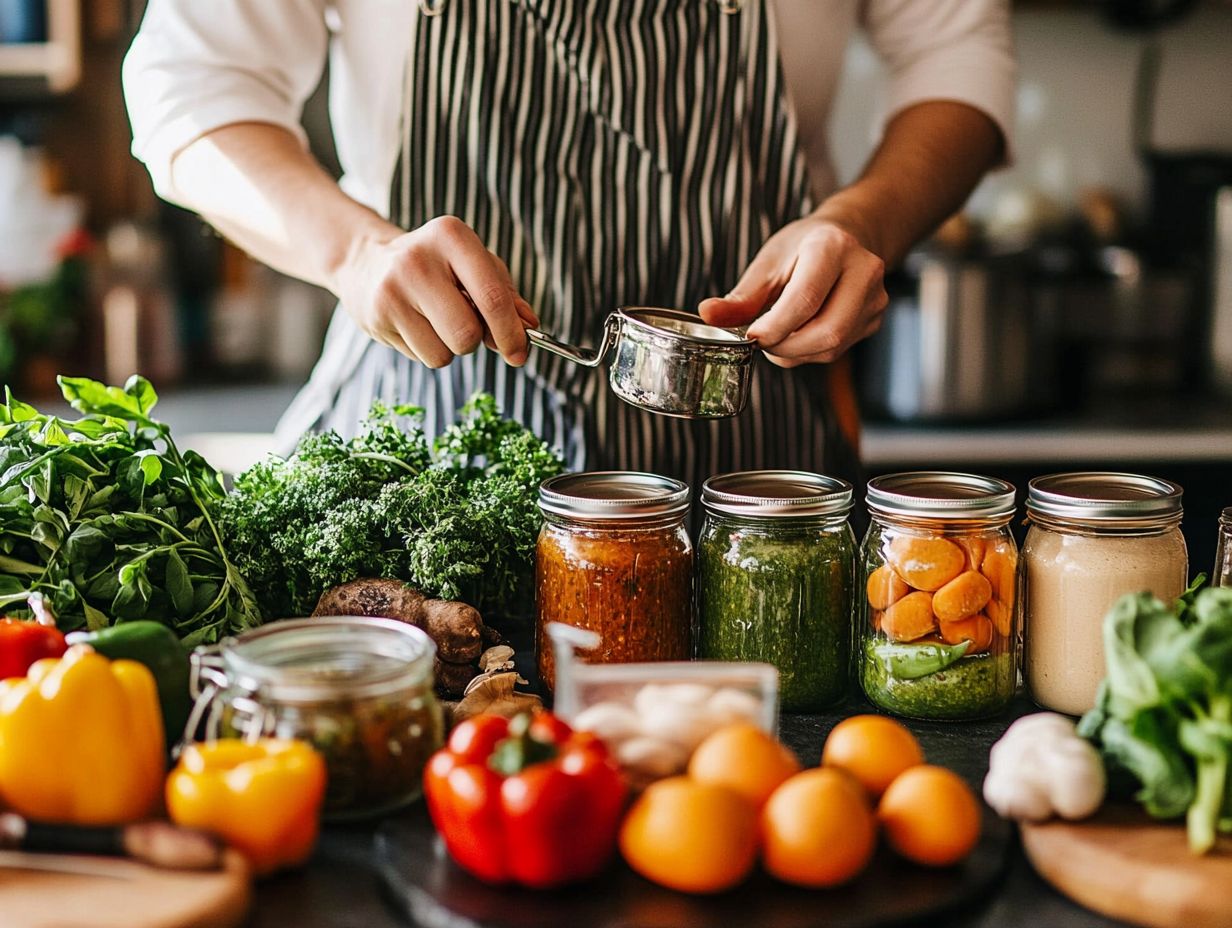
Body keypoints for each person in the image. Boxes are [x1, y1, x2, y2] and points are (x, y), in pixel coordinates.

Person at [123, 0, 1014, 491]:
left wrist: (860, 221)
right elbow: (187, 87)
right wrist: (353, 253)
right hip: (422, 450)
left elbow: (957, 55)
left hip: (753, 480)